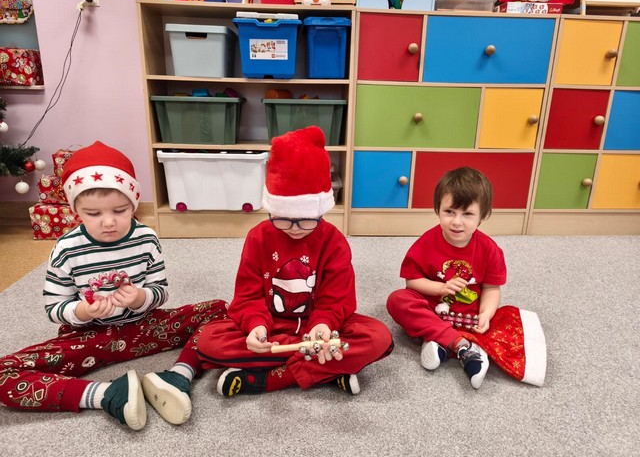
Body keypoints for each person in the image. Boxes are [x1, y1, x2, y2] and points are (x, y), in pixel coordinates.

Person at [0, 141, 228, 429]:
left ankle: (179, 375)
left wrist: (141, 298)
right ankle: (107, 394)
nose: (108, 222)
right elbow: (54, 307)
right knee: (4, 374)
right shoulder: (66, 249)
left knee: (220, 309)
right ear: (76, 210)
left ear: (133, 204)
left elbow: (160, 291)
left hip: (145, 328)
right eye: (93, 214)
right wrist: (82, 311)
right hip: (90, 338)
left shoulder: (146, 239)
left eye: (120, 210)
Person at [197, 125, 393, 397]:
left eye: (306, 220)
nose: (294, 228)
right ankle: (328, 370)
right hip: (271, 325)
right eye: (283, 219)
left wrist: (323, 325)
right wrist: (256, 326)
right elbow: (247, 296)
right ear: (271, 210)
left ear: (321, 211)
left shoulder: (334, 241)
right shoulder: (258, 237)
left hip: (320, 327)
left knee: (379, 337)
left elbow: (337, 300)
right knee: (208, 341)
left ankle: (269, 379)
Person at [386, 166, 506, 389]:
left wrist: (486, 314)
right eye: (449, 211)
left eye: (467, 214)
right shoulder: (426, 242)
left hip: (468, 315)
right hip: (432, 309)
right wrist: (440, 289)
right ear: (437, 209)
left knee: (506, 323)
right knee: (397, 300)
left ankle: (439, 342)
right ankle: (461, 346)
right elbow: (412, 282)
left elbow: (491, 288)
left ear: (483, 216)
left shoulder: (489, 249)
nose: (457, 222)